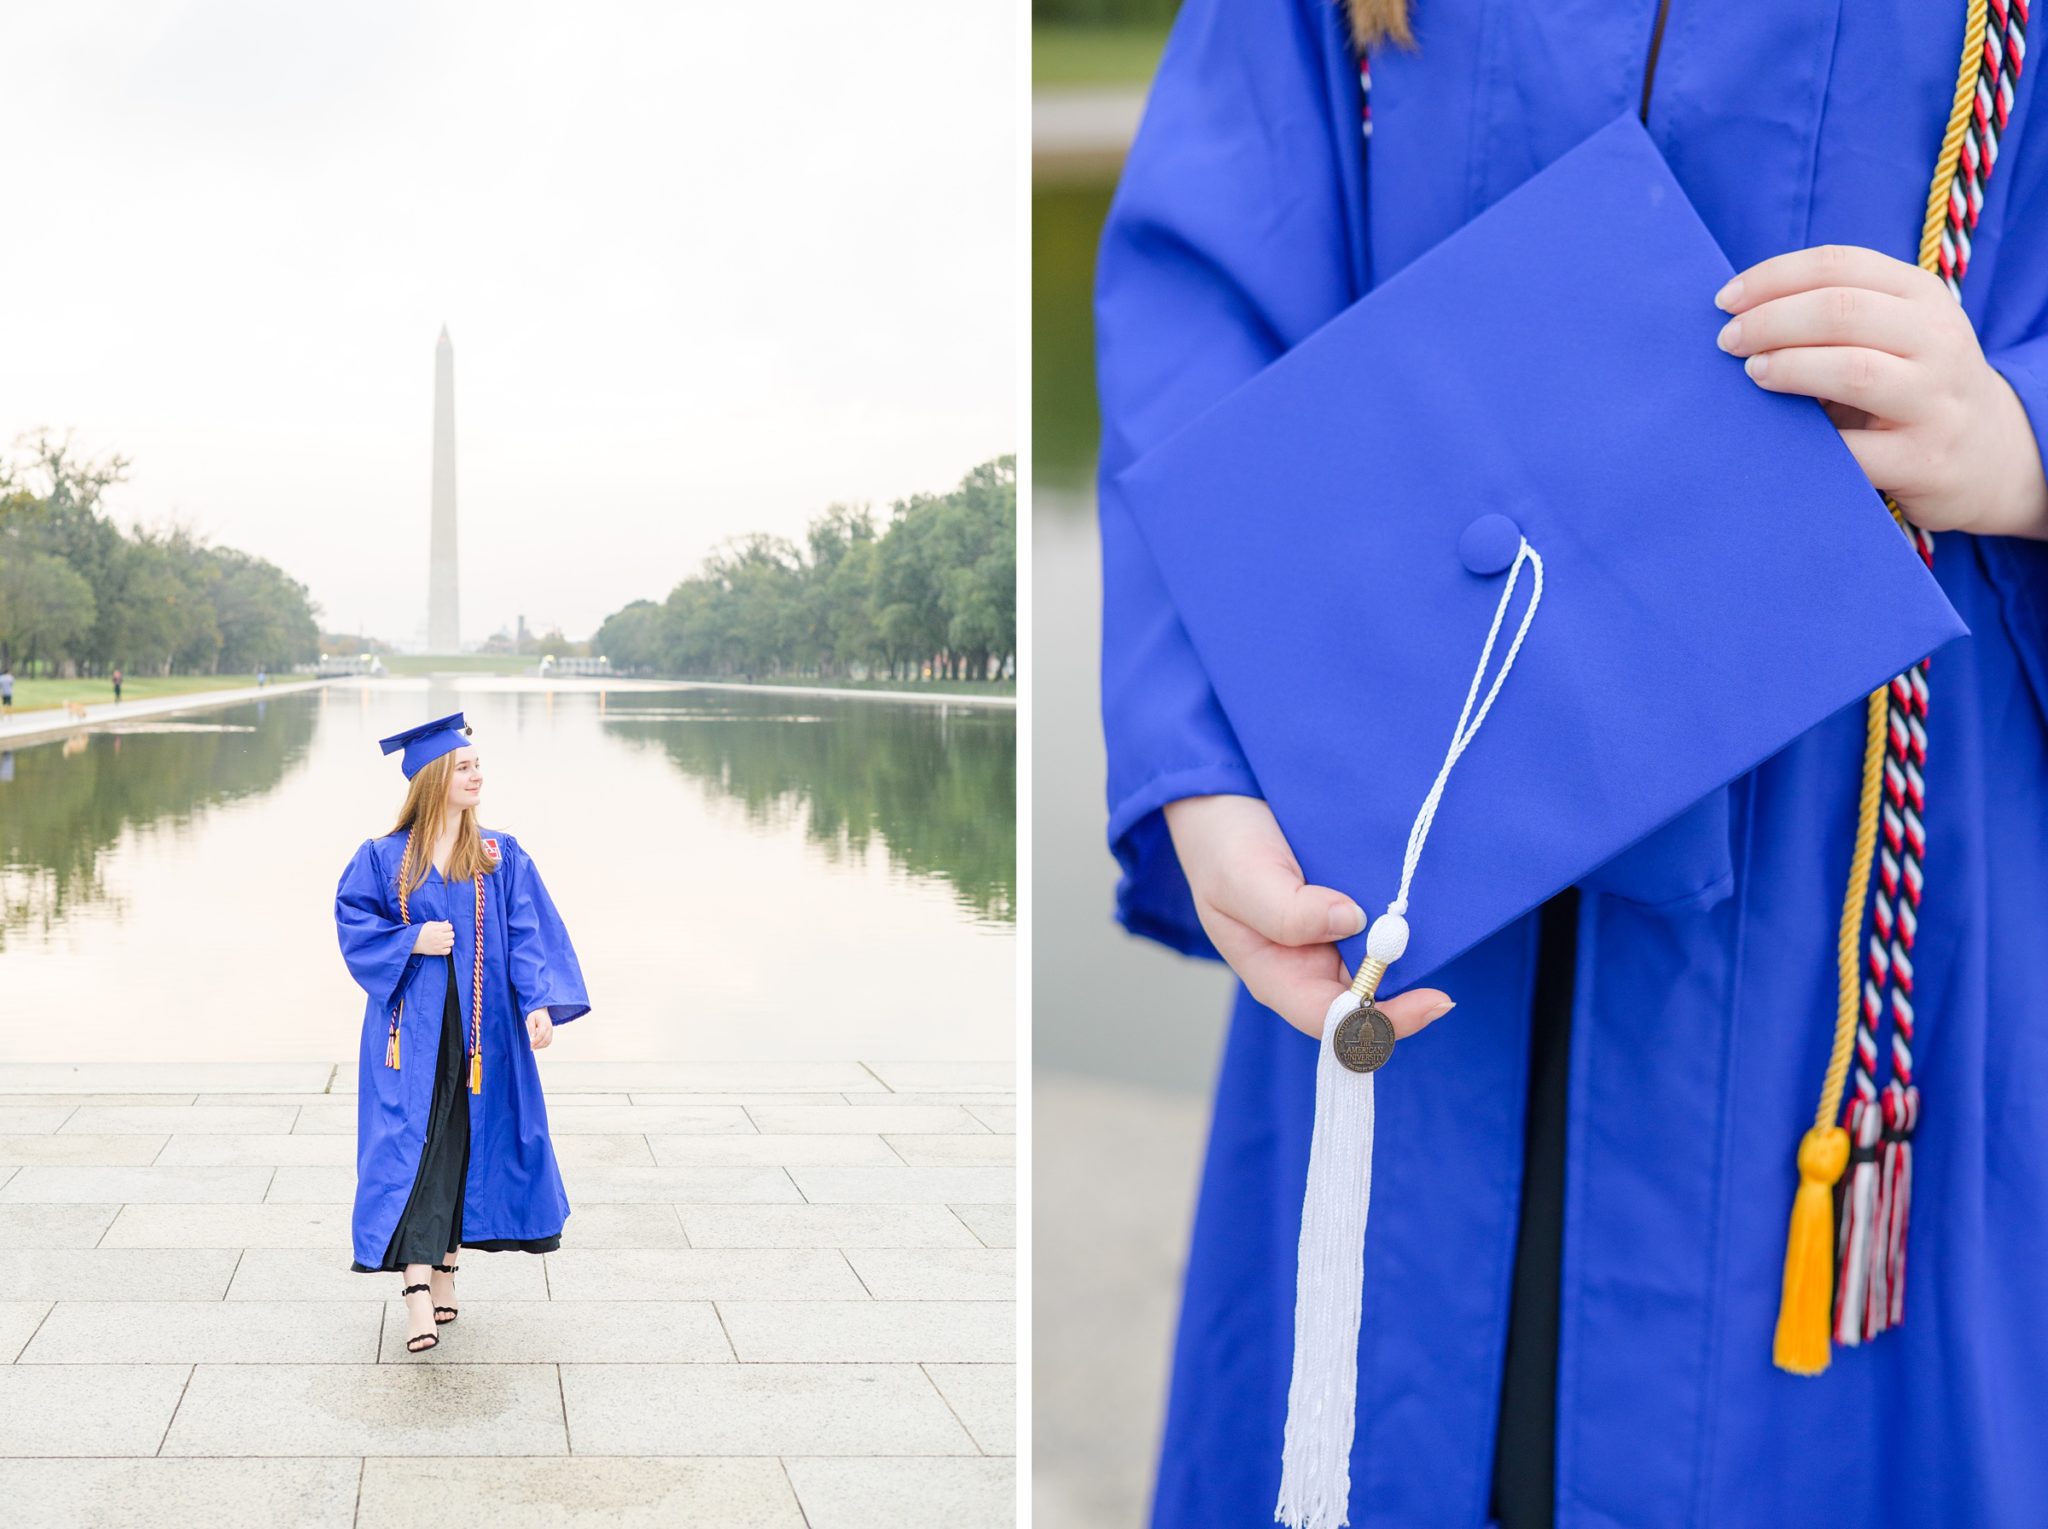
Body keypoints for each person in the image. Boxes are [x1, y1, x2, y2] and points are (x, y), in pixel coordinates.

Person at [1096, 3, 2048, 1526]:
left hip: (1873, 899)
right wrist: (1208, 763)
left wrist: (2026, 440)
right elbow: (1214, 287)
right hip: (1405, 854)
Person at [334, 710, 590, 1355]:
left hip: (487, 1034)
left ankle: (446, 1270)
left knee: (467, 1145)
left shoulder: (499, 855)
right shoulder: (383, 858)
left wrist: (539, 1001)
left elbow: (531, 933)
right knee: (418, 1152)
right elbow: (353, 924)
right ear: (433, 777)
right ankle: (416, 1295)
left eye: (478, 764)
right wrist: (411, 939)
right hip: (411, 1040)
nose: (478, 774)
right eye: (465, 766)